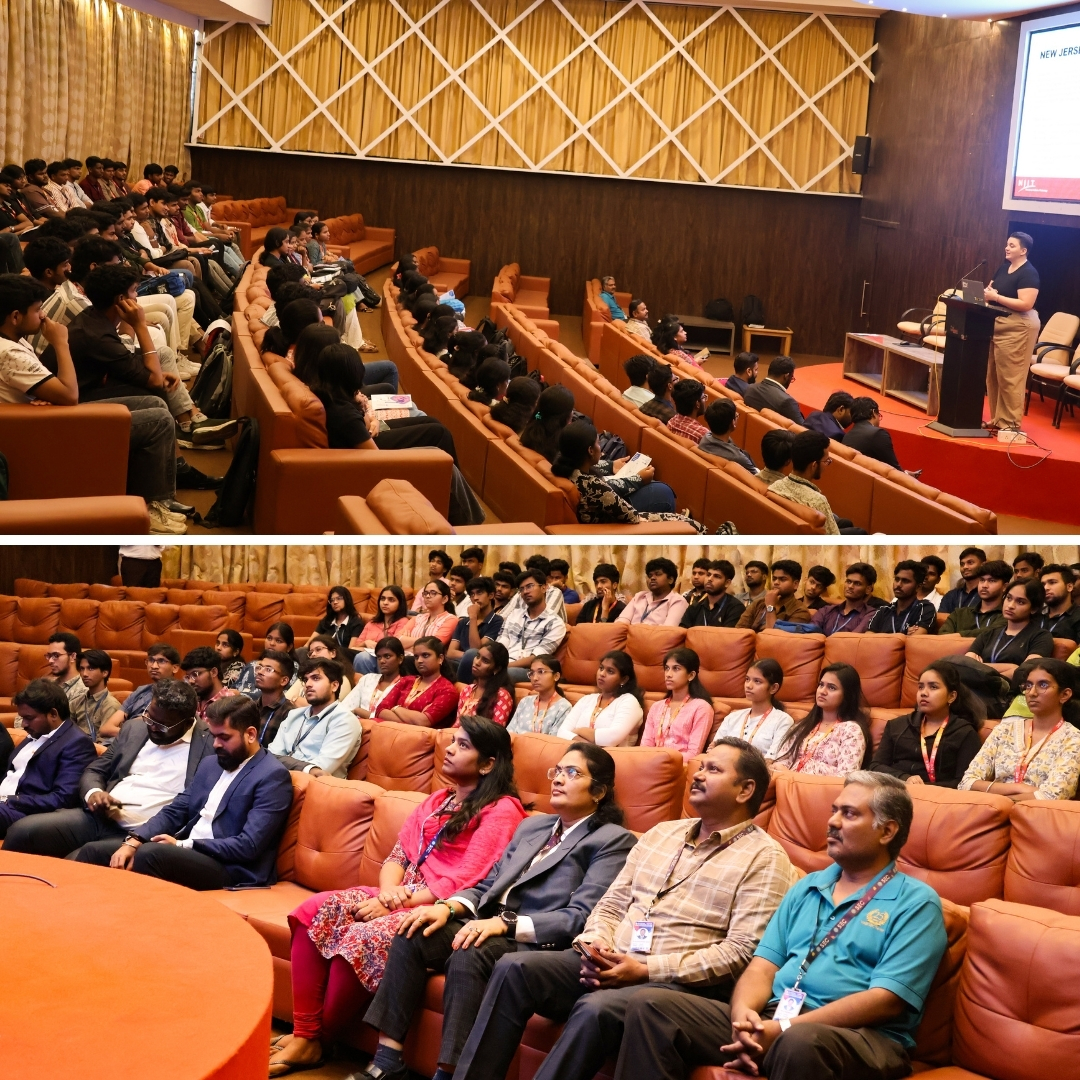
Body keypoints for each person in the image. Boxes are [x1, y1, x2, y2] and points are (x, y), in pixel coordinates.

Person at [452, 738, 798, 1080]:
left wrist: (645, 970)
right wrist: (595, 945)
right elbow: (612, 902)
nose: (698, 774)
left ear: (745, 790)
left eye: (713, 769)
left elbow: (740, 952)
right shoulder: (662, 833)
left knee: (596, 1008)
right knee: (514, 968)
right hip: (611, 960)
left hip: (672, 985)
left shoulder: (765, 858)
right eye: (700, 766)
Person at [622, 773, 947, 1080]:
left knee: (799, 1042)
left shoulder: (916, 903)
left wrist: (783, 1029)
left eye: (849, 814)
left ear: (887, 831)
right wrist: (743, 1018)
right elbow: (762, 968)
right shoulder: (807, 886)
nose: (833, 821)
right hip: (775, 1020)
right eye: (834, 811)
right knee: (651, 1006)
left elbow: (886, 1000)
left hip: (859, 1037)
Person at [358, 742, 637, 1080]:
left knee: (471, 950)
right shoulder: (534, 827)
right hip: (487, 923)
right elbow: (489, 884)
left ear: (599, 791)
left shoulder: (612, 840)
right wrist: (447, 908)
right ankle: (388, 1061)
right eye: (557, 771)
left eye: (572, 773)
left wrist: (504, 924)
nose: (558, 779)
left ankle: (449, 1074)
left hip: (536, 941)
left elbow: (581, 916)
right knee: (414, 928)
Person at [270, 718, 527, 1077]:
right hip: (399, 895)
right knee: (315, 910)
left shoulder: (502, 810)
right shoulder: (438, 800)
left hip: (442, 909)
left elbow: (470, 877)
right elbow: (397, 856)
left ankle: (317, 1039)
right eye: (453, 741)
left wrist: (398, 902)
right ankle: (306, 1034)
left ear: (488, 764)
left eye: (464, 745)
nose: (450, 749)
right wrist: (390, 893)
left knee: (365, 935)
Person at [75, 695, 293, 890]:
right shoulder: (211, 764)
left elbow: (249, 845)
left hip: (230, 866)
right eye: (214, 736)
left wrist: (183, 845)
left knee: (151, 854)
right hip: (189, 851)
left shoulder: (271, 776)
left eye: (224, 737)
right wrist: (134, 840)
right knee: (94, 851)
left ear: (251, 734)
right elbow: (175, 810)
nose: (216, 744)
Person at [2, 678, 215, 858]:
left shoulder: (210, 746)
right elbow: (96, 770)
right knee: (23, 831)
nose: (151, 726)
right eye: (149, 716)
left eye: (161, 725)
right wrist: (95, 793)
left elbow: (193, 804)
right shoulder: (135, 728)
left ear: (187, 722)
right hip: (98, 817)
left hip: (142, 832)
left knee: (83, 856)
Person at [960, 659, 1080, 800]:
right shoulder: (1004, 730)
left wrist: (996, 795)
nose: (1032, 693)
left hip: (1035, 812)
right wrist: (1019, 788)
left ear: (1064, 695)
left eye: (1043, 685)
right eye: (1028, 685)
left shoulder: (1073, 739)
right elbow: (967, 783)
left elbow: (1052, 796)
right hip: (992, 809)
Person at [551, 422, 705, 531]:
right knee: (694, 526)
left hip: (610, 520)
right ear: (590, 450)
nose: (601, 450)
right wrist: (675, 523)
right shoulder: (592, 485)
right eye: (598, 444)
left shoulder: (565, 467)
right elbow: (632, 516)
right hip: (618, 529)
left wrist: (611, 465)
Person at [0, 679, 97, 838]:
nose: (23, 724)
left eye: (29, 718)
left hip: (28, 814)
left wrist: (12, 800)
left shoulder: (76, 744)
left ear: (53, 714)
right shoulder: (35, 735)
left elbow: (63, 799)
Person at [871, 661, 983, 787]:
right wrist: (904, 778)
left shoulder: (964, 733)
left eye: (933, 687)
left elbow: (963, 782)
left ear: (951, 696)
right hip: (895, 790)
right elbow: (875, 766)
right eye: (920, 687)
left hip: (938, 795)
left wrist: (924, 789)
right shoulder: (897, 725)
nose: (923, 693)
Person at [983, 231, 1040, 433]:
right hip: (997, 324)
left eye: (1012, 245)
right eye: (1007, 244)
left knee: (1011, 377)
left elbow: (1026, 303)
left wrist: (996, 298)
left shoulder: (1028, 273)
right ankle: (999, 419)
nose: (1007, 248)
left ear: (1023, 251)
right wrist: (988, 294)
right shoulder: (1003, 268)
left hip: (1018, 328)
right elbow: (991, 290)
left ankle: (1011, 424)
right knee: (994, 375)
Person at [268, 657, 361, 776]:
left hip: (316, 785)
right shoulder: (293, 715)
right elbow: (271, 756)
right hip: (279, 778)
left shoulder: (344, 720)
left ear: (334, 686)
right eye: (305, 679)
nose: (308, 684)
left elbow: (320, 769)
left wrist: (280, 763)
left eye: (316, 678)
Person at [772, 663, 871, 774]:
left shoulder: (851, 730)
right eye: (821, 685)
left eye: (832, 687)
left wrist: (792, 776)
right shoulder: (803, 726)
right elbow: (781, 761)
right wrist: (783, 771)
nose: (822, 691)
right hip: (786, 782)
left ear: (847, 695)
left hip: (818, 785)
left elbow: (846, 777)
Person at [354, 580, 457, 675]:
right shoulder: (417, 618)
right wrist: (420, 640)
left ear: (445, 599)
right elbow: (397, 640)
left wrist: (408, 640)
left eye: (433, 593)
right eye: (425, 593)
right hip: (407, 656)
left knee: (392, 660)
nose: (428, 596)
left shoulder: (450, 619)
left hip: (425, 661)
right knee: (361, 657)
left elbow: (435, 644)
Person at [965, 579, 1054, 680]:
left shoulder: (1040, 636)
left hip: (1008, 687)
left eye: (1020, 602)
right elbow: (967, 664)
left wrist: (981, 668)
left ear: (1034, 609)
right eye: (1008, 598)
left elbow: (1025, 672)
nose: (1010, 606)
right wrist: (1011, 667)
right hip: (976, 684)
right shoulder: (989, 633)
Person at [769, 431, 852, 536]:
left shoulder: (774, 486)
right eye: (826, 461)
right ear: (814, 465)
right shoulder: (818, 501)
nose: (827, 465)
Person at [712, 659, 795, 762]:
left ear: (773, 688)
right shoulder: (732, 717)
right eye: (747, 679)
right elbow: (713, 750)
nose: (748, 685)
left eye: (757, 681)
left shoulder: (783, 720)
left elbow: (772, 759)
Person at [555, 652, 644, 746]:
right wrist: (587, 744)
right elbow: (562, 732)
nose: (602, 674)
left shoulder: (629, 701)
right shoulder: (586, 699)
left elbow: (611, 739)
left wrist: (579, 731)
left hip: (612, 755)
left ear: (624, 679)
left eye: (610, 671)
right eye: (601, 668)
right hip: (576, 751)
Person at [640, 648, 714, 761]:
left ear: (691, 675)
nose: (668, 674)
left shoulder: (701, 707)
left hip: (680, 766)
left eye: (676, 668)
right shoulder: (656, 707)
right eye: (667, 668)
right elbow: (645, 747)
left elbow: (693, 754)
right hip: (651, 763)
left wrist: (662, 761)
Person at [97, 643, 182, 741]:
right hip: (118, 741)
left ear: (175, 668)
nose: (154, 666)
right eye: (151, 660)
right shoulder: (141, 691)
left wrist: (126, 728)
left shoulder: (177, 695)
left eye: (161, 661)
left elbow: (153, 732)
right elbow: (105, 729)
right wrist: (130, 730)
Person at [377, 637, 459, 727]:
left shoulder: (447, 690)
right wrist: (412, 720)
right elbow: (380, 710)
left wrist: (396, 708)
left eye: (425, 655)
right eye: (416, 657)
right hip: (387, 729)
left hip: (418, 735)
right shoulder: (406, 681)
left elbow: (423, 722)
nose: (419, 661)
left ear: (440, 658)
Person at [448, 576, 505, 674]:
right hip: (457, 663)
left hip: (478, 668)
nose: (475, 598)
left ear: (491, 595)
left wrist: (473, 617)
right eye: (472, 594)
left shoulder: (497, 621)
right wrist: (467, 656)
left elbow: (476, 650)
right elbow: (450, 652)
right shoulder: (463, 622)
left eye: (479, 593)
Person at [940, 558, 1011, 636]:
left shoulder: (1008, 615)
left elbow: (991, 634)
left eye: (992, 581)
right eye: (982, 580)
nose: (984, 585)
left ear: (1005, 587)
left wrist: (957, 636)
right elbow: (942, 636)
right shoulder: (959, 614)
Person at [342, 637, 406, 720]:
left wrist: (360, 712)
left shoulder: (405, 685)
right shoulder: (368, 679)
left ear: (400, 659)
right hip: (356, 724)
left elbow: (396, 720)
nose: (382, 661)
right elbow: (346, 707)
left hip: (384, 726)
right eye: (379, 657)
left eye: (387, 656)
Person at [737, 559, 811, 631]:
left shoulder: (800, 611)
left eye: (782, 579)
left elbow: (773, 636)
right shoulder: (758, 603)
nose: (776, 582)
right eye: (774, 579)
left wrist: (770, 607)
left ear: (795, 584)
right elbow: (739, 631)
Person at [508, 656, 574, 735]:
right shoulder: (525, 701)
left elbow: (554, 739)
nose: (535, 678)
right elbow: (510, 731)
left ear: (556, 676)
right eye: (532, 673)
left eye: (541, 672)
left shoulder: (564, 707)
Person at [868, 560, 938, 635]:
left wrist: (881, 637)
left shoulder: (925, 608)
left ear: (918, 587)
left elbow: (915, 639)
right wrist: (904, 633)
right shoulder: (883, 610)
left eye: (905, 581)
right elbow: (867, 639)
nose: (898, 584)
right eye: (897, 579)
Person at [842, 396, 909, 472]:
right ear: (873, 413)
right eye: (879, 415)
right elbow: (894, 470)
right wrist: (906, 475)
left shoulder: (847, 436)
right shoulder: (878, 434)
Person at [616, 557, 690, 625]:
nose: (652, 578)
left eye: (658, 574)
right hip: (629, 635)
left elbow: (668, 631)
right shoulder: (639, 597)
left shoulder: (677, 601)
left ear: (670, 580)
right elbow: (621, 622)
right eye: (650, 575)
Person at [810, 562, 877, 635]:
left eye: (857, 583)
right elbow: (810, 635)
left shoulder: (871, 614)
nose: (850, 586)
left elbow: (852, 638)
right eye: (848, 581)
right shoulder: (825, 611)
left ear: (868, 589)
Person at [457, 643, 514, 727]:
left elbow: (496, 731)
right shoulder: (467, 690)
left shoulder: (502, 696)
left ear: (497, 669)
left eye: (485, 661)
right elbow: (457, 723)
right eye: (477, 656)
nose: (477, 662)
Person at [235, 623, 298, 699]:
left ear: (289, 647)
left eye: (278, 641)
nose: (272, 643)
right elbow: (236, 686)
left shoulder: (293, 668)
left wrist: (241, 695)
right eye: (269, 638)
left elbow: (285, 695)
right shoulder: (252, 664)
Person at [286, 636, 353, 704]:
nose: (313, 654)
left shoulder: (342, 680)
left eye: (318, 649)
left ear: (333, 653)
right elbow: (287, 699)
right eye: (310, 652)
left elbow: (326, 706)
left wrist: (295, 699)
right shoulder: (307, 676)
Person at [349, 586, 411, 659]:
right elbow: (355, 646)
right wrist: (366, 642)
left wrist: (374, 646)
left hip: (384, 659)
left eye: (391, 600)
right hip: (364, 654)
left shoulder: (403, 622)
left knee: (363, 657)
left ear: (400, 603)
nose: (385, 603)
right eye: (382, 599)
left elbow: (395, 646)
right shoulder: (372, 623)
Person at [74, 649, 123, 741]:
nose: (84, 674)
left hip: (95, 748)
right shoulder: (77, 701)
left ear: (105, 673)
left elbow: (105, 742)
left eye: (90, 668)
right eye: (82, 669)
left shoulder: (110, 705)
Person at [699, 397, 759, 473]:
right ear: (733, 423)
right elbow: (756, 476)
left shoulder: (704, 440)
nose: (737, 416)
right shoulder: (739, 459)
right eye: (736, 416)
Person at [680, 560, 745, 628]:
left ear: (727, 583)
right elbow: (682, 631)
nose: (710, 579)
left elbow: (728, 634)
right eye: (708, 575)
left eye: (717, 576)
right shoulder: (694, 607)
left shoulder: (736, 607)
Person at [251, 650, 297, 747]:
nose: (260, 672)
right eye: (259, 667)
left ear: (283, 680)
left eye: (268, 670)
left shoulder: (290, 714)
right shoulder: (250, 707)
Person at [520, 384, 575, 462]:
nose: (573, 412)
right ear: (566, 418)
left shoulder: (524, 430)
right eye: (571, 409)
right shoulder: (562, 453)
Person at [181, 646, 237, 722]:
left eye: (195, 674)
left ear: (213, 672)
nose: (191, 681)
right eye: (188, 677)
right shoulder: (192, 701)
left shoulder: (230, 705)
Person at [743, 356, 803, 425]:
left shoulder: (750, 388)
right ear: (786, 376)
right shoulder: (787, 402)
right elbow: (802, 429)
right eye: (791, 377)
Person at [310, 586, 365, 656]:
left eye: (339, 598)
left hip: (341, 657)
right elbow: (310, 642)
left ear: (346, 600)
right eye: (332, 600)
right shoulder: (327, 620)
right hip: (320, 655)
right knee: (301, 651)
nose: (335, 602)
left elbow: (351, 650)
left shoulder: (356, 622)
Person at [44, 632, 88, 714]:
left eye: (56, 655)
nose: (50, 661)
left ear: (73, 656)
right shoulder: (47, 684)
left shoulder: (82, 691)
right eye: (49, 656)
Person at [1038, 564, 1080, 641]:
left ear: (1069, 587)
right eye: (1043, 584)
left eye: (1052, 582)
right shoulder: (1035, 615)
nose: (1046, 588)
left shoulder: (1077, 616)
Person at [939, 547, 986, 613]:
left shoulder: (987, 594)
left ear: (983, 565)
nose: (965, 567)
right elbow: (941, 617)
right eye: (962, 564)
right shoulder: (951, 595)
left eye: (970, 563)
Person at [667, 378, 710, 443]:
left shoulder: (671, 422)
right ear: (697, 404)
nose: (705, 400)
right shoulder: (703, 434)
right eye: (704, 397)